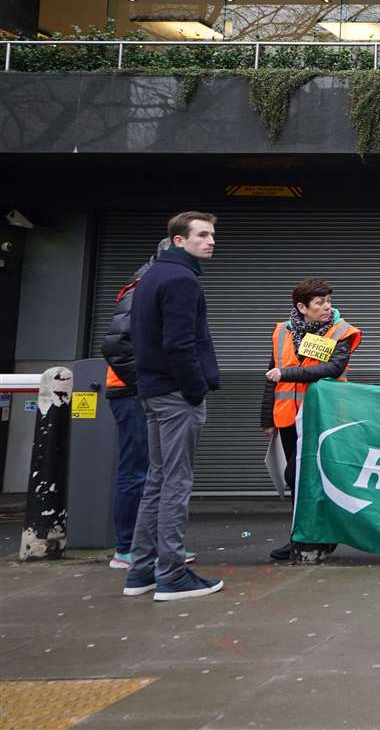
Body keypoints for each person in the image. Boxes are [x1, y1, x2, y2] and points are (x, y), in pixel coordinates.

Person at [122, 212, 224, 602]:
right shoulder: (182, 280)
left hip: (152, 391)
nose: (210, 241)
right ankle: (172, 575)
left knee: (156, 480)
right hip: (176, 395)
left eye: (212, 234)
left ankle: (141, 571)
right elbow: (179, 344)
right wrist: (195, 389)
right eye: (201, 235)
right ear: (178, 241)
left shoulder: (151, 277)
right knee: (176, 483)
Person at [100, 239, 197, 572]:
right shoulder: (145, 286)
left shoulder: (153, 281)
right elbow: (116, 344)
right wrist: (147, 386)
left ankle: (149, 550)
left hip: (140, 390)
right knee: (141, 471)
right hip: (133, 392)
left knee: (156, 472)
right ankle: (128, 549)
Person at [260, 279, 361, 563]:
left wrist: (287, 374)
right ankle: (301, 537)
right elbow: (272, 373)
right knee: (297, 478)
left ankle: (319, 535)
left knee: (309, 476)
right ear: (302, 307)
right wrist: (267, 416)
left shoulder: (340, 331)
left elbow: (333, 368)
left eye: (328, 300)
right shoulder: (282, 332)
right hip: (289, 417)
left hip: (323, 417)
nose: (327, 307)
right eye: (320, 302)